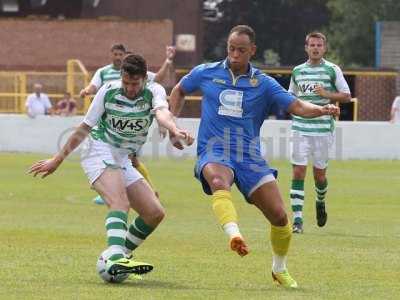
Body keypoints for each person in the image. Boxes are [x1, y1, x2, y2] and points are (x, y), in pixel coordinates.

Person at [169, 25, 339, 289]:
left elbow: (296, 105)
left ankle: (279, 269)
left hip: (249, 157)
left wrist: (322, 109)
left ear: (252, 51)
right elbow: (179, 89)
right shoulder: (207, 72)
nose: (234, 54)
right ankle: (234, 235)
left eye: (241, 50)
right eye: (231, 48)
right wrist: (172, 125)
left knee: (280, 217)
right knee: (217, 180)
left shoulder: (264, 83)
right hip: (214, 149)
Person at [29, 54, 194, 278]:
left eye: (135, 84)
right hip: (98, 149)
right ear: (121, 77)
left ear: (144, 79)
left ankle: (116, 256)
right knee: (119, 202)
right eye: (126, 83)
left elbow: (163, 114)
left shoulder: (154, 91)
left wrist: (174, 130)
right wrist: (57, 159)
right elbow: (84, 127)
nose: (130, 89)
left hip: (122, 157)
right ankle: (115, 257)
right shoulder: (108, 90)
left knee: (154, 213)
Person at [80, 43, 177, 204]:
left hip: (130, 123)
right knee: (123, 159)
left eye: (121, 55)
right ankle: (113, 188)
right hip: (109, 121)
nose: (118, 57)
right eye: (116, 54)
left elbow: (158, 87)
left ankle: (134, 189)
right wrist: (87, 91)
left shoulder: (140, 75)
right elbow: (93, 86)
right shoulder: (103, 73)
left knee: (131, 160)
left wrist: (167, 61)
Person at [288, 32, 351, 234]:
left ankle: (320, 201)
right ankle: (297, 221)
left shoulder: (332, 69)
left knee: (319, 175)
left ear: (325, 48)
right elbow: (290, 98)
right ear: (306, 47)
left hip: (323, 130)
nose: (315, 48)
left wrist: (327, 96)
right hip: (300, 128)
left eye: (319, 45)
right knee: (298, 172)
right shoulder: (297, 71)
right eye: (312, 45)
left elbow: (347, 96)